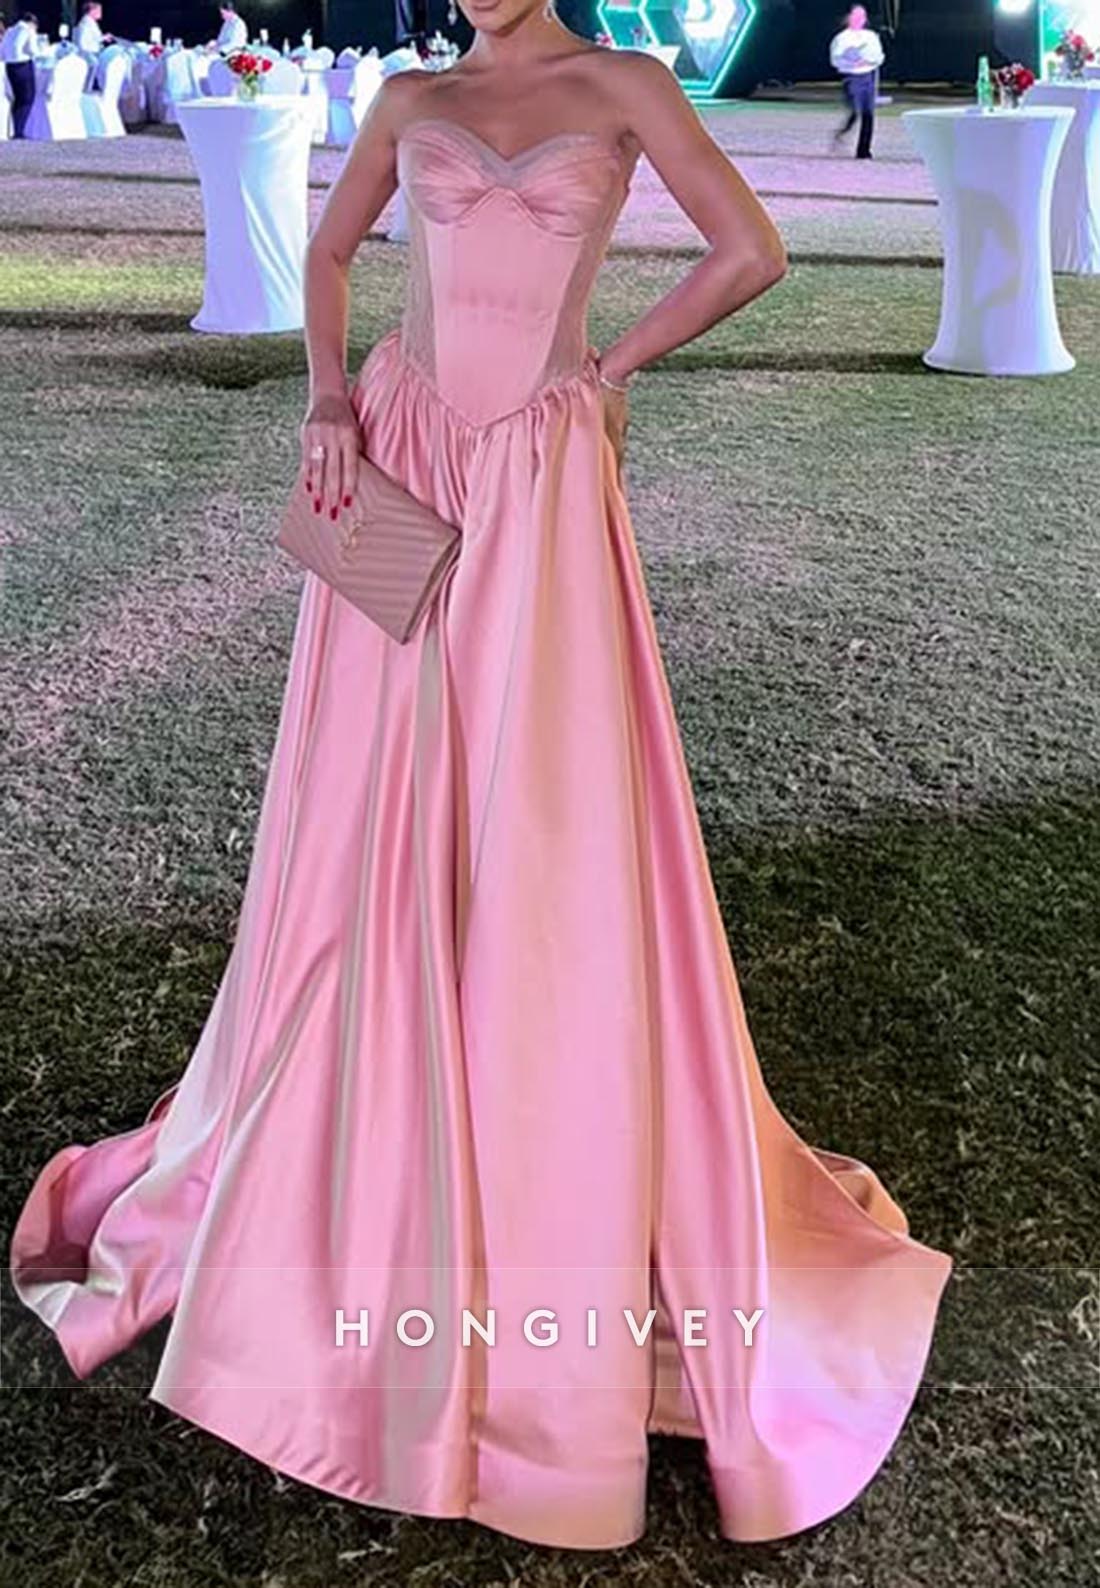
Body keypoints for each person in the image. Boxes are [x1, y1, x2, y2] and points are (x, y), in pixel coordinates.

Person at [10, 0, 952, 1552]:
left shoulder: (623, 81)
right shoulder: (409, 94)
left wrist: (613, 368)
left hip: (537, 471)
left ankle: (528, 1095)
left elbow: (751, 250)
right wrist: (329, 398)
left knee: (545, 795)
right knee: (369, 791)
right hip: (402, 449)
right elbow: (328, 256)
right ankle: (374, 1077)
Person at [830, 4, 884, 160]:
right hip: (851, 78)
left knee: (868, 115)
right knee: (855, 111)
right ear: (849, 18)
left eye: (862, 16)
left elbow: (878, 57)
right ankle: (842, 133)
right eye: (855, 16)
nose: (859, 19)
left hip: (867, 77)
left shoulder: (871, 37)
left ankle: (863, 151)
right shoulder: (842, 38)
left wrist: (868, 61)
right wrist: (851, 62)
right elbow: (836, 59)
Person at [1, 11, 38, 139]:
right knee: (27, 98)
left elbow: (2, 51)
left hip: (10, 66)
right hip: (23, 64)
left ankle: (17, 129)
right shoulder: (28, 30)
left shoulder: (10, 31)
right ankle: (20, 130)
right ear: (32, 23)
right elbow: (33, 49)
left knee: (17, 98)